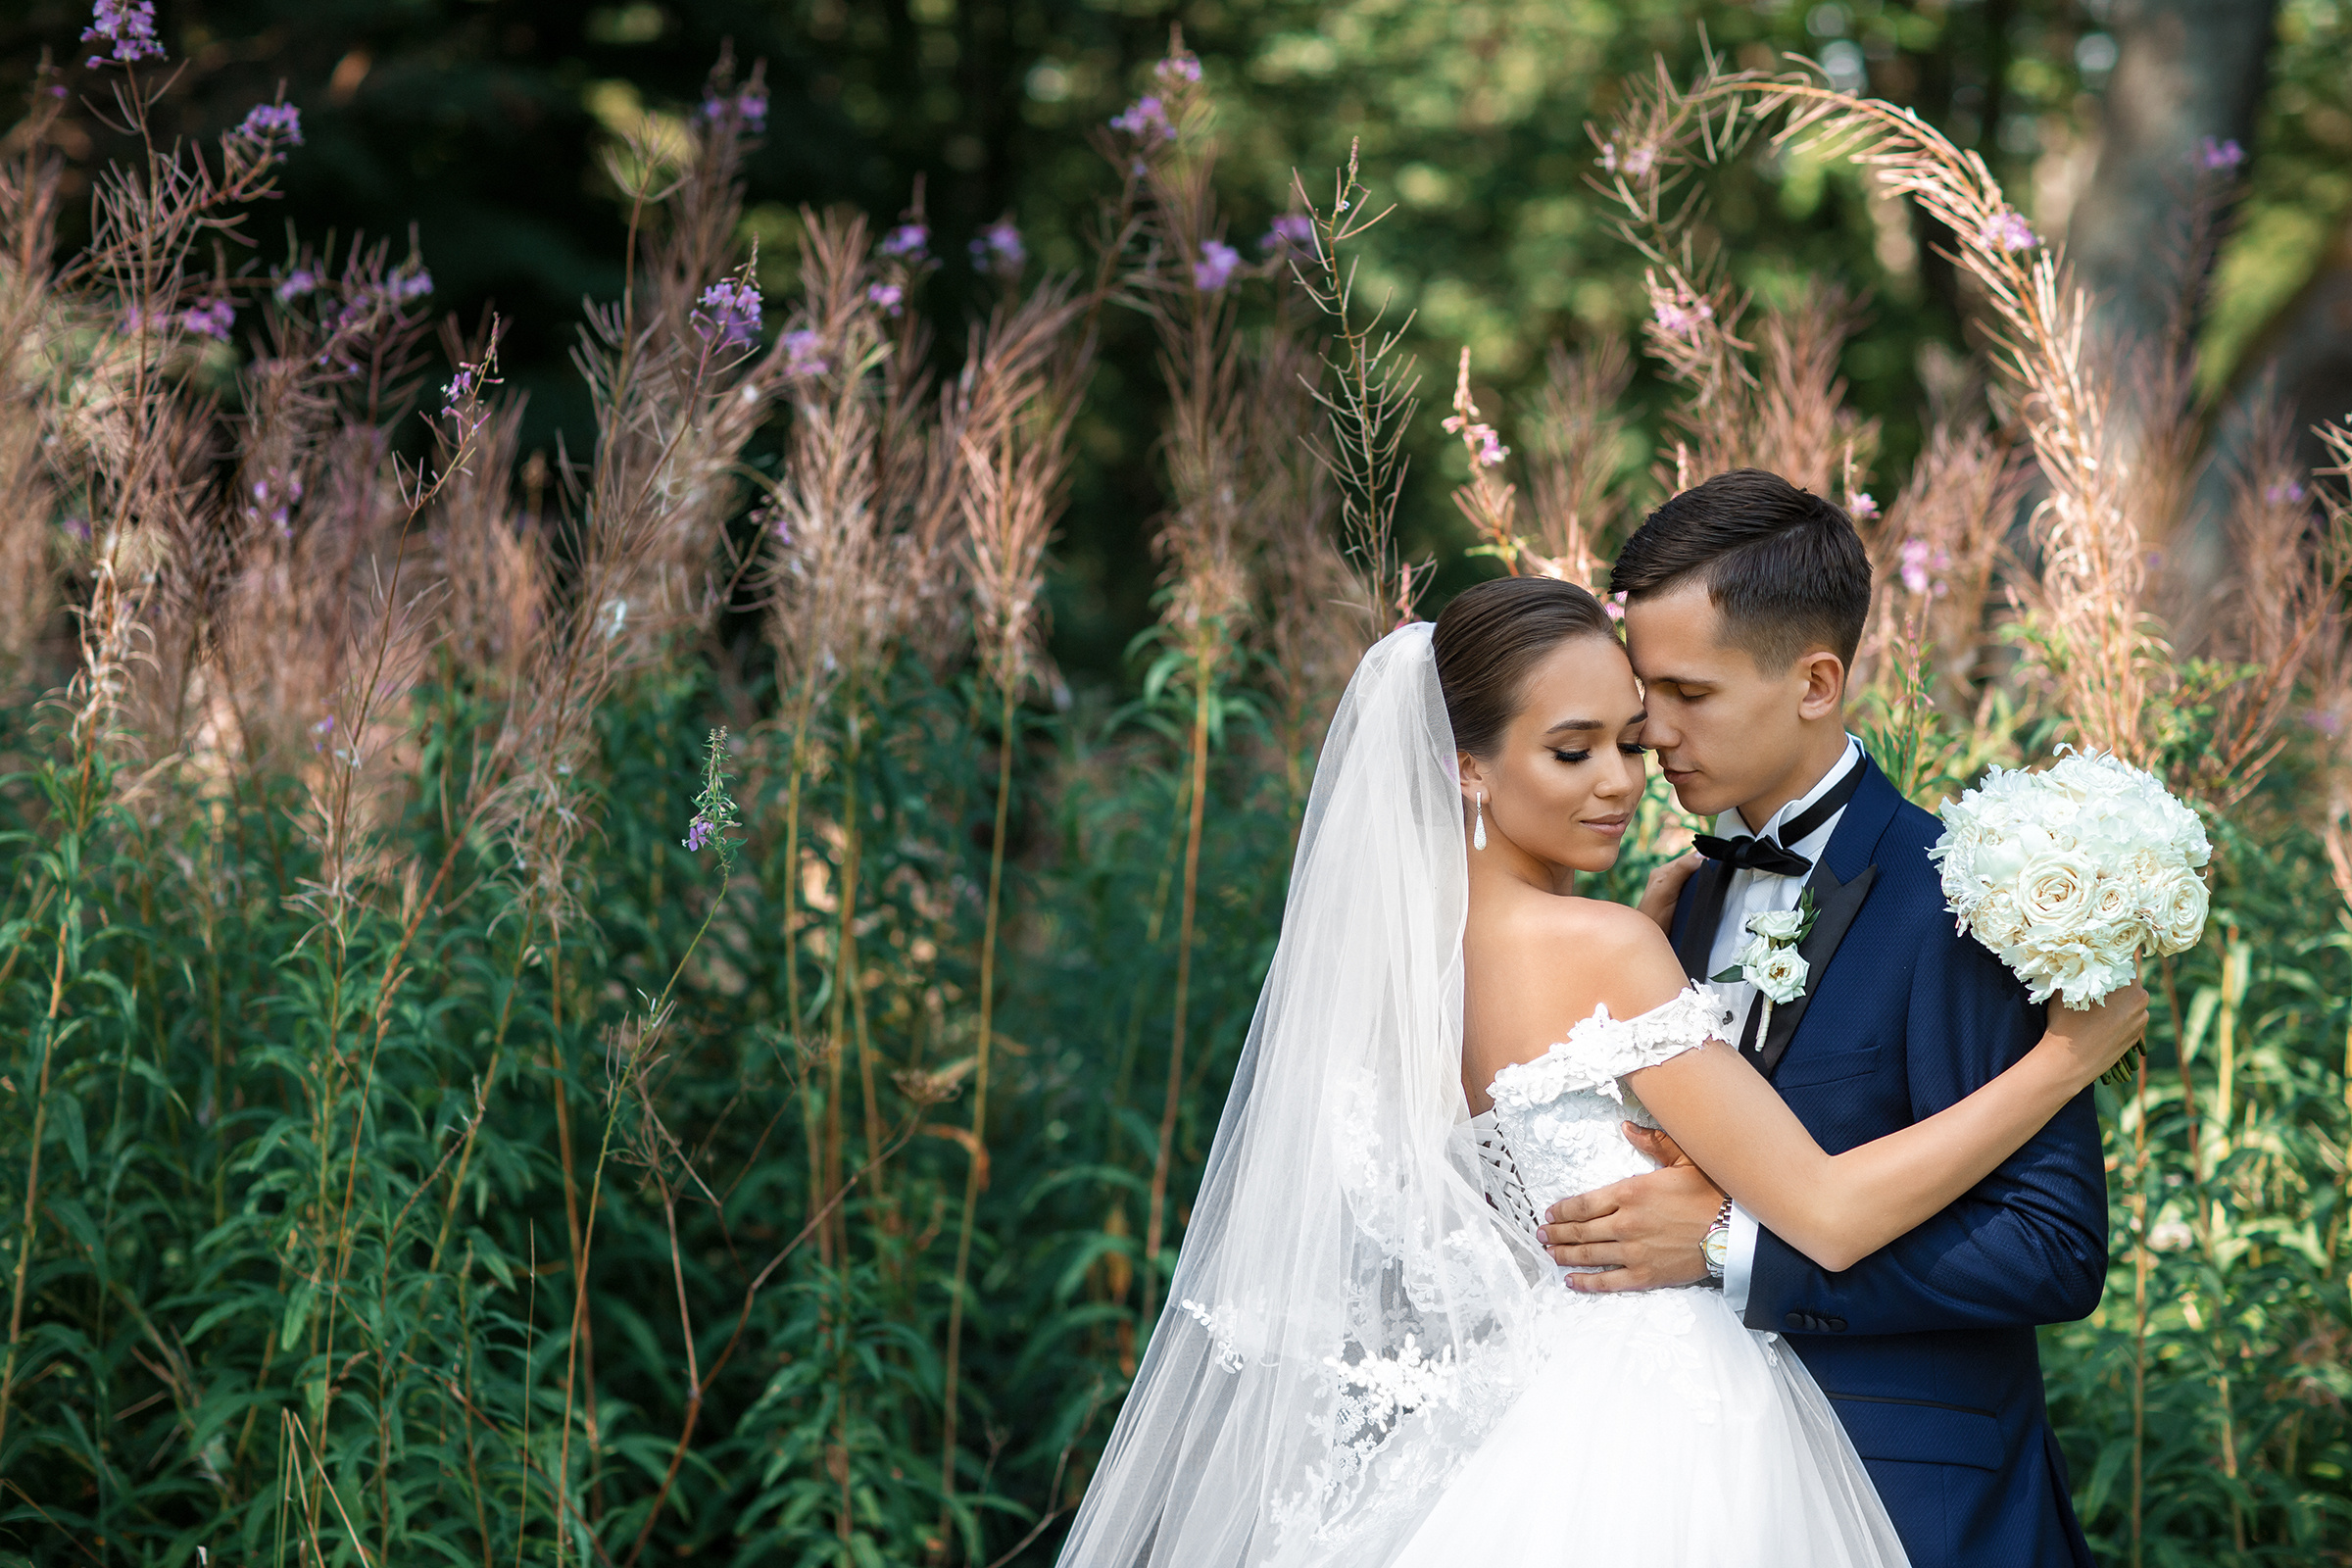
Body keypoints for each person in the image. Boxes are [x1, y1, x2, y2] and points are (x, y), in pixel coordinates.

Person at [1054, 569, 2145, 1567]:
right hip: (1665, 1410)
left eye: (1631, 740)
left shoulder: (1413, 965)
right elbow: (1827, 1209)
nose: (1625, 779)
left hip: (1523, 1405)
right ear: (1466, 768)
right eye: (1572, 751)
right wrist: (2059, 1063)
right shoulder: (1611, 948)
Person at [1540, 469, 2112, 1566]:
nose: (1651, 729)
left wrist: (1726, 1246)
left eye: (1690, 693)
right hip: (1691, 1486)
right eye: (1644, 688)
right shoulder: (1677, 899)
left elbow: (2054, 1248)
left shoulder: (1967, 897)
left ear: (1816, 682)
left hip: (1906, 1497)